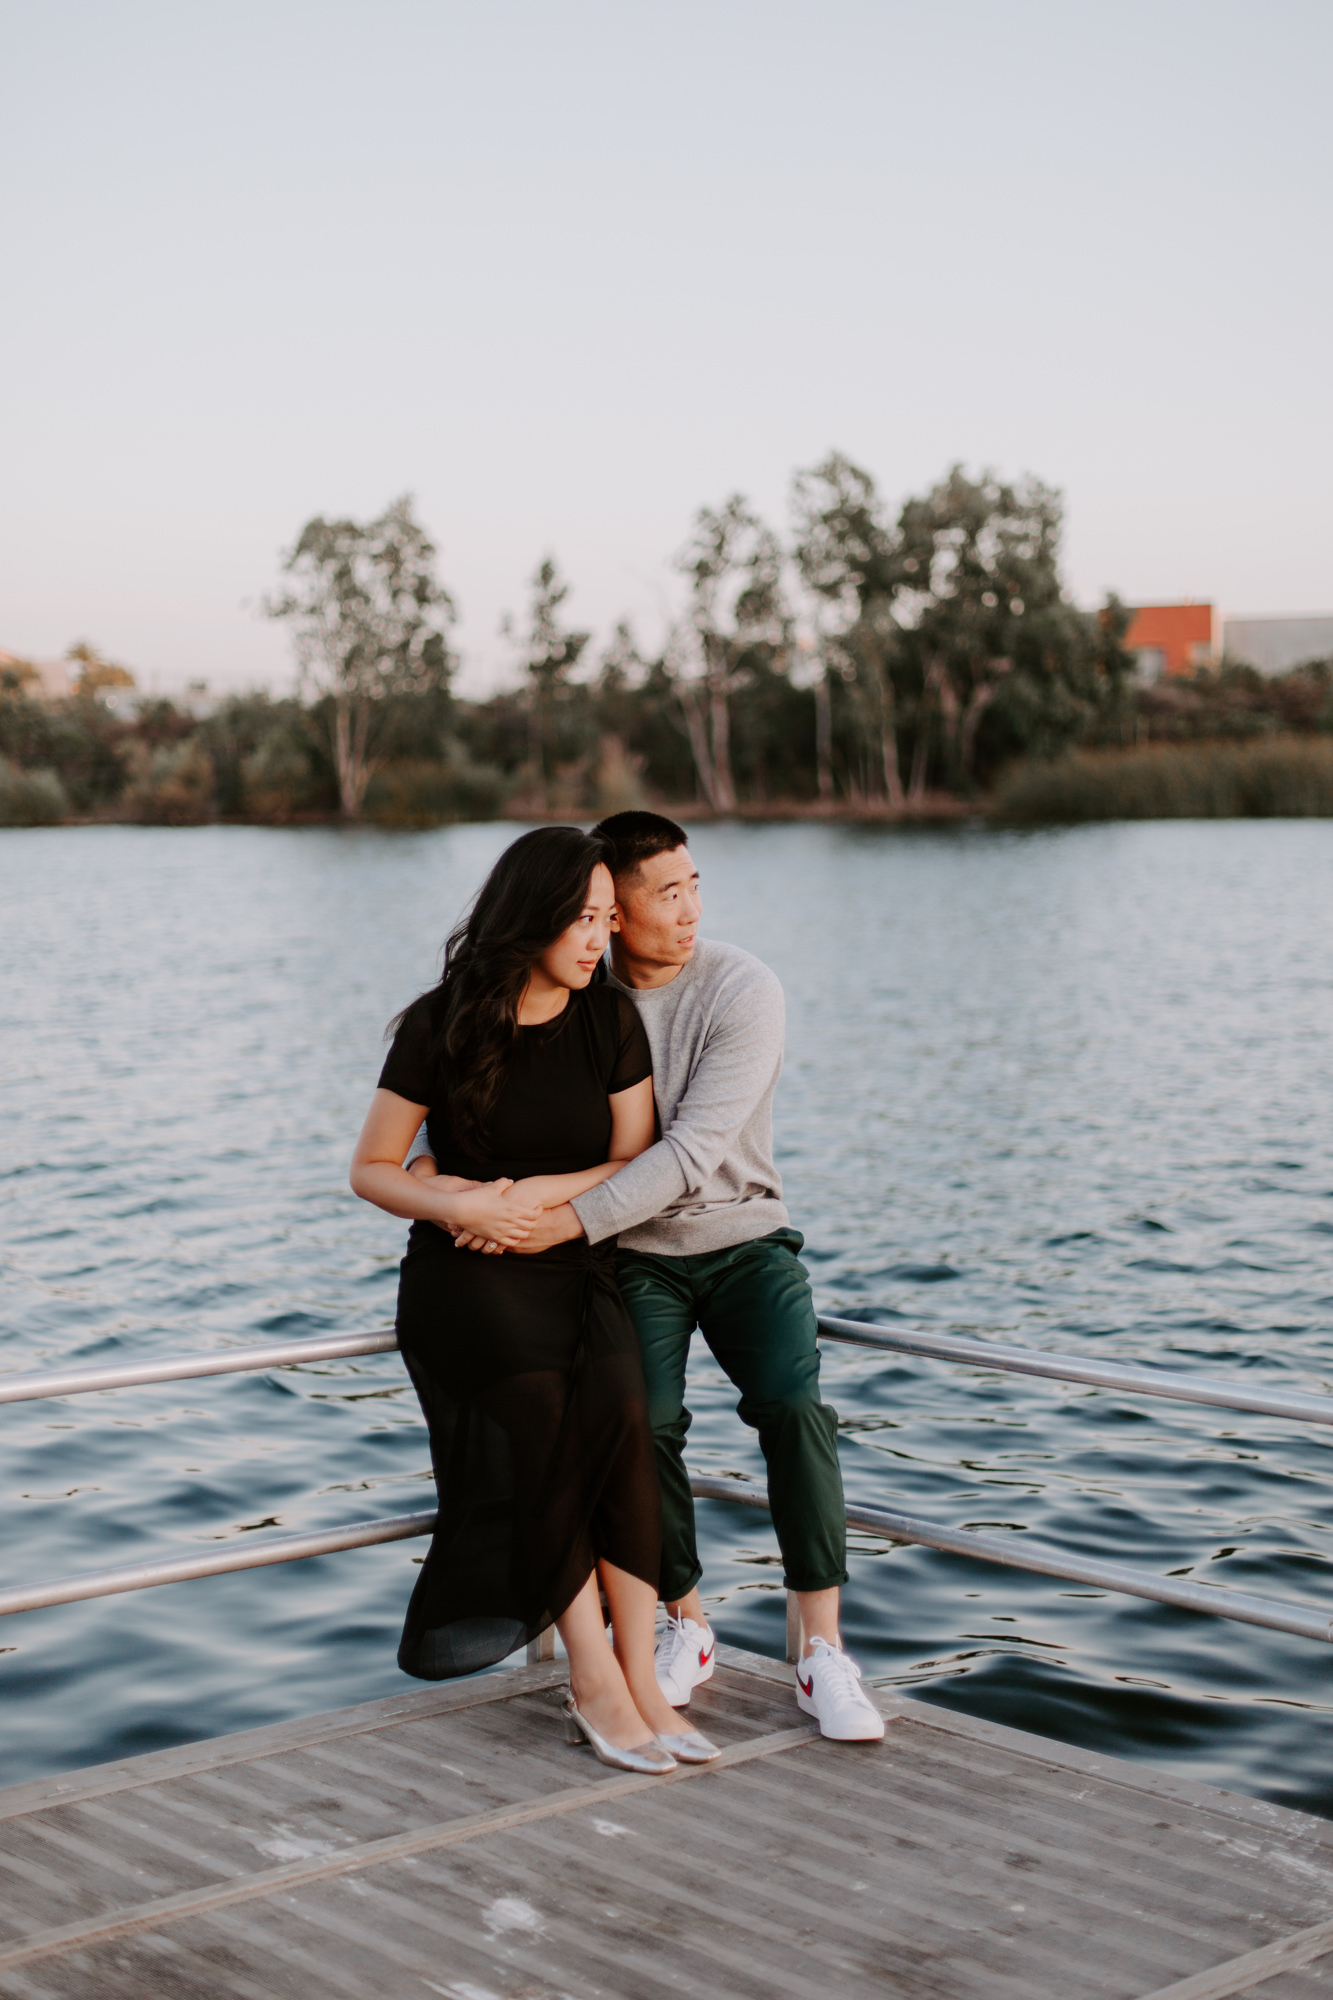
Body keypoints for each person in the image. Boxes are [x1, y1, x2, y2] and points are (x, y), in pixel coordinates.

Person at [418, 811, 885, 1743]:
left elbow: (689, 1151)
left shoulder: (742, 988)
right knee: (641, 1422)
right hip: (634, 1257)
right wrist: (458, 1198)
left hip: (745, 1234)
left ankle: (820, 1649)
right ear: (610, 914)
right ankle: (688, 1622)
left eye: (694, 885)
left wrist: (541, 1226)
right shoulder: (580, 996)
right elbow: (469, 1115)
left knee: (793, 1406)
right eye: (664, 895)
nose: (690, 910)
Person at [349, 825, 718, 1774]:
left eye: (605, 919)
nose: (598, 939)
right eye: (579, 919)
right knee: (548, 1423)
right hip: (464, 1274)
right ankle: (592, 1679)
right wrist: (462, 1202)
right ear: (529, 916)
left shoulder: (607, 1021)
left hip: (566, 1258)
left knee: (624, 1418)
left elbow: (630, 1157)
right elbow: (373, 1169)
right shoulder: (441, 1022)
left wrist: (523, 1202)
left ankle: (643, 1681)